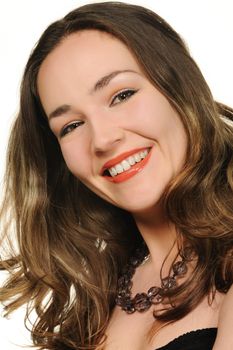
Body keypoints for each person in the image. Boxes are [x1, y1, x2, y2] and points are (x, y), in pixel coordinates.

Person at [0, 2, 233, 349]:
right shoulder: (97, 300)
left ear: (179, 89)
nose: (103, 139)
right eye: (71, 126)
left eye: (122, 95)